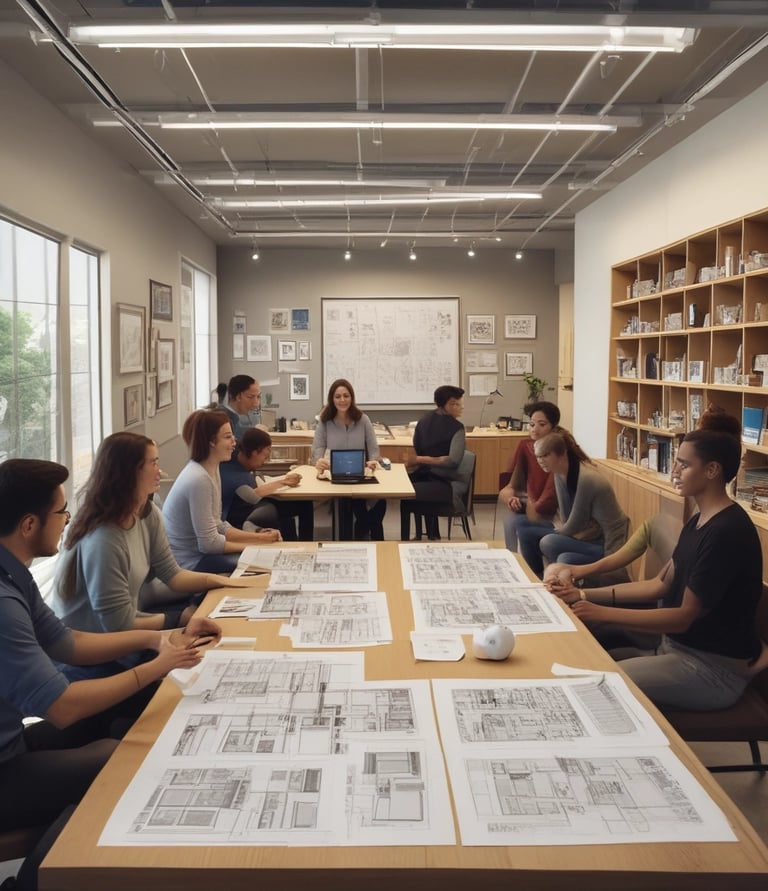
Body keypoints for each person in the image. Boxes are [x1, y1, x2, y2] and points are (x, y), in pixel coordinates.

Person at [0, 459, 218, 891]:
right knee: (118, 760)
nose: (67, 522)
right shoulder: (4, 601)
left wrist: (161, 638)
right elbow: (62, 707)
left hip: (12, 742)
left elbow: (69, 642)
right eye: (61, 513)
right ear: (29, 524)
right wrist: (157, 667)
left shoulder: (14, 573)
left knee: (117, 725)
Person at [551, 413, 768, 711]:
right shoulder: (699, 521)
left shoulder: (727, 532)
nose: (674, 471)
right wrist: (582, 594)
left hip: (710, 670)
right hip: (676, 650)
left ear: (712, 470)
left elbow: (681, 617)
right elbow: (658, 585)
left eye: (684, 464)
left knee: (601, 686)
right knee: (587, 663)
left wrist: (600, 611)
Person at [51, 433, 256, 677]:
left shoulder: (147, 513)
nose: (160, 471)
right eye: (153, 463)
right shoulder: (104, 537)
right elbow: (118, 625)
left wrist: (222, 581)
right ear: (128, 472)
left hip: (128, 639)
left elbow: (173, 574)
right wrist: (180, 619)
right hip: (95, 658)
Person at [163, 410, 281, 573]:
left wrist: (260, 538)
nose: (234, 442)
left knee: (267, 558)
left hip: (202, 555)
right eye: (227, 437)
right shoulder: (199, 479)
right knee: (266, 565)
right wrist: (253, 546)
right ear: (211, 441)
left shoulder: (212, 468)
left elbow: (218, 525)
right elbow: (209, 544)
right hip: (191, 562)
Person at [533, 432, 628, 572]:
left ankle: (559, 580)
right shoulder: (558, 473)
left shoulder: (587, 478)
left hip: (607, 543)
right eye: (538, 457)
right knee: (558, 551)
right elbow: (566, 520)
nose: (540, 461)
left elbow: (575, 524)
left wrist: (553, 533)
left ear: (563, 454)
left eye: (546, 455)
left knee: (549, 543)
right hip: (586, 536)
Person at [312, 378, 386, 540]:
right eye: (337, 396)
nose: (342, 400)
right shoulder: (325, 421)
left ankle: (364, 534)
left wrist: (373, 461)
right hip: (334, 475)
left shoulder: (363, 419)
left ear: (352, 398)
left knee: (380, 503)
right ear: (332, 399)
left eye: (346, 395)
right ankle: (361, 534)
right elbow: (317, 449)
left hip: (360, 473)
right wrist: (319, 461)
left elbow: (373, 449)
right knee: (357, 507)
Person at [221, 426, 314, 541]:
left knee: (302, 504)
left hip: (243, 505)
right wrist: (284, 482)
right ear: (255, 452)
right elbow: (252, 496)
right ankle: (303, 542)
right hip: (238, 515)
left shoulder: (237, 455)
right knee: (296, 506)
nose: (264, 462)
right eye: (264, 457)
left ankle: (295, 541)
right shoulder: (239, 476)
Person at [499, 401, 560, 571]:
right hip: (530, 504)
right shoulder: (525, 446)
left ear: (553, 427)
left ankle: (527, 570)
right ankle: (513, 565)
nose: (535, 429)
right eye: (532, 424)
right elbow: (508, 486)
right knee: (510, 520)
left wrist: (531, 506)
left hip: (552, 512)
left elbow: (551, 496)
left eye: (542, 424)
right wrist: (511, 498)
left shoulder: (558, 451)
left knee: (518, 523)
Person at [399, 385, 466, 540]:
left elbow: (418, 448)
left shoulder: (423, 421)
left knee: (406, 493)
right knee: (407, 493)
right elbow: (453, 461)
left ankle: (416, 538)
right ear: (447, 404)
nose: (461, 408)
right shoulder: (457, 428)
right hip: (445, 481)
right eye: (457, 404)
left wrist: (420, 460)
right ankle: (431, 535)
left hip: (428, 476)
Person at [221, 375, 261, 440]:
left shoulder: (234, 417)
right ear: (238, 397)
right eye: (250, 397)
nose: (256, 403)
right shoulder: (222, 420)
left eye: (258, 397)